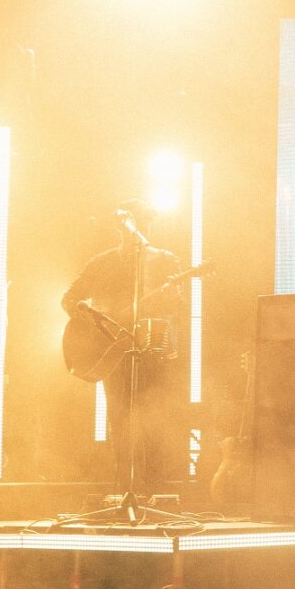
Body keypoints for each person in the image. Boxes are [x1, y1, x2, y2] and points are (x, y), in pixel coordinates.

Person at [61, 199, 185, 495]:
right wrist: (94, 324)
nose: (133, 229)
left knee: (154, 418)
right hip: (111, 349)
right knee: (119, 418)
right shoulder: (101, 262)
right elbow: (69, 299)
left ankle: (155, 492)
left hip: (152, 347)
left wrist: (167, 295)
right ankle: (125, 489)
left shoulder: (165, 260)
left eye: (140, 222)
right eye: (129, 223)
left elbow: (177, 305)